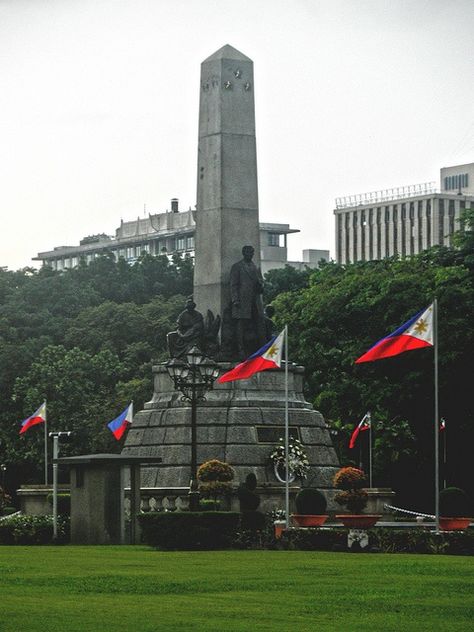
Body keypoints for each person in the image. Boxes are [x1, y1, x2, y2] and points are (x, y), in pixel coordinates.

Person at [230, 245, 265, 358]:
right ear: (244, 253)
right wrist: (235, 300)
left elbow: (260, 283)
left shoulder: (255, 267)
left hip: (254, 301)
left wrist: (261, 285)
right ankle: (240, 350)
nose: (251, 254)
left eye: (252, 253)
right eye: (249, 252)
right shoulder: (237, 267)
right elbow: (233, 285)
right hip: (242, 301)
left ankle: (257, 349)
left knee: (258, 324)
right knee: (241, 326)